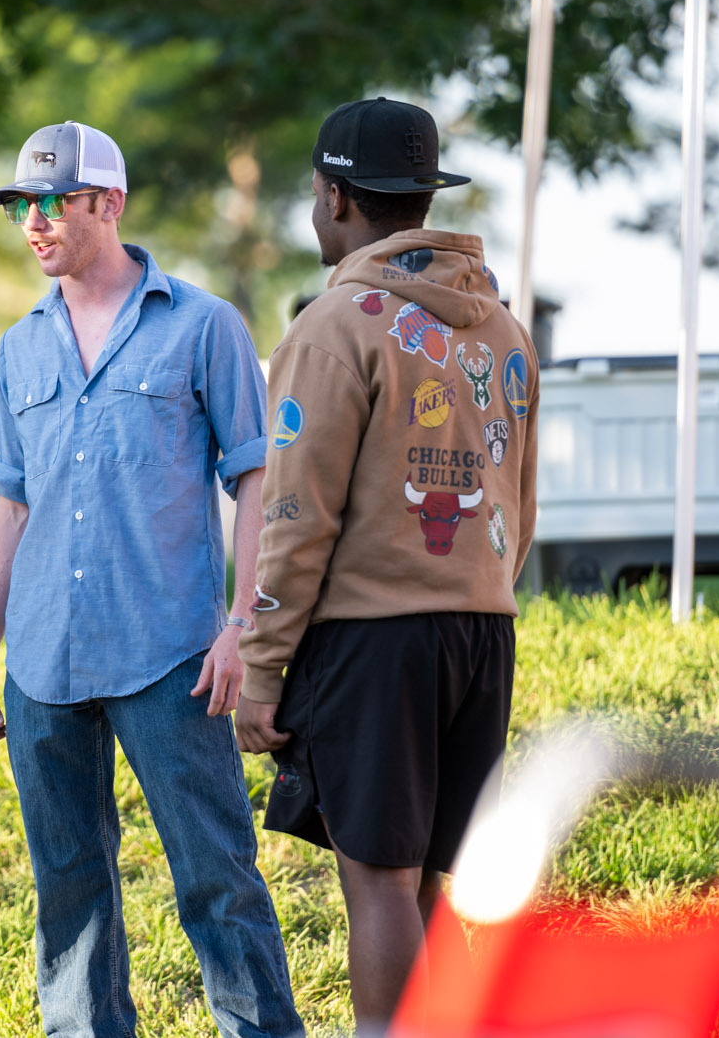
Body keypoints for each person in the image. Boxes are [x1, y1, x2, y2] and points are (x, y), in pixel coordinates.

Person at [0, 121, 306, 1038]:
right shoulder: (18, 347)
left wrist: (240, 624)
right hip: (42, 663)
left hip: (171, 657)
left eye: (51, 204)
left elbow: (256, 477)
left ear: (108, 203)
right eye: (20, 208)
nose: (32, 224)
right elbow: (12, 506)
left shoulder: (204, 325)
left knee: (217, 879)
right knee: (69, 892)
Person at [234, 98, 538, 1034]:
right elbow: (518, 504)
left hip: (373, 641)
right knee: (439, 876)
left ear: (335, 197)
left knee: (378, 880)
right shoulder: (503, 331)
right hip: (483, 630)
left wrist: (260, 665)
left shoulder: (333, 327)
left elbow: (293, 516)